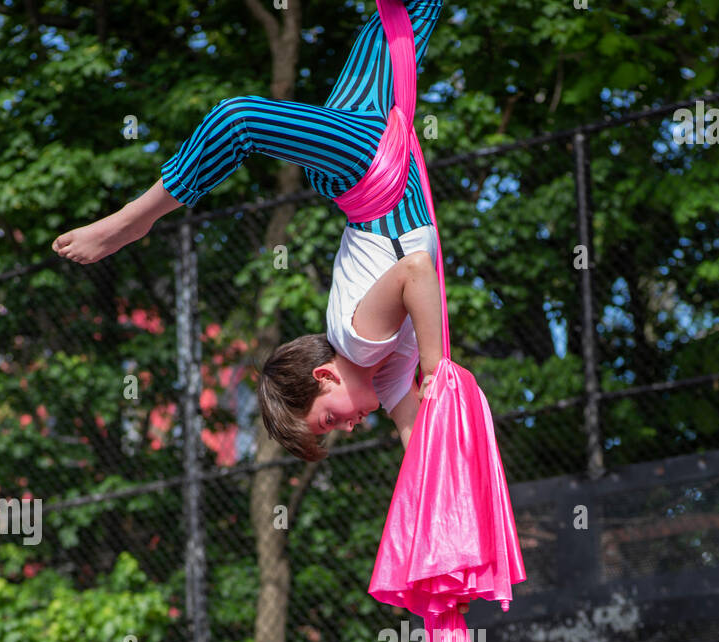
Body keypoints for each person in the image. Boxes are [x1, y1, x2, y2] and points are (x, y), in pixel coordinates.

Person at [51, 2, 445, 459]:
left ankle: (133, 220)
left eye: (329, 420)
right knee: (412, 8)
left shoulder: (359, 340)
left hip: (370, 164)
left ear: (325, 376)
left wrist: (436, 367)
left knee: (239, 122)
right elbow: (419, 439)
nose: (347, 428)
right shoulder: (383, 371)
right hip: (370, 163)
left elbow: (416, 268)